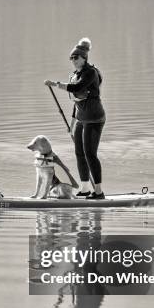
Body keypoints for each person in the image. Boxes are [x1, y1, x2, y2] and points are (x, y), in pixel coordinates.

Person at [44, 37, 106, 199]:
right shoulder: (74, 74)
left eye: (75, 57)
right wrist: (71, 124)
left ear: (84, 58)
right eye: (71, 58)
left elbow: (77, 88)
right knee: (79, 153)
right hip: (81, 118)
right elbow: (75, 100)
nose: (72, 60)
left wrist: (56, 84)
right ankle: (85, 188)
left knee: (90, 154)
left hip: (94, 118)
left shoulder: (90, 73)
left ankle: (98, 193)